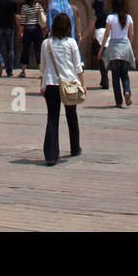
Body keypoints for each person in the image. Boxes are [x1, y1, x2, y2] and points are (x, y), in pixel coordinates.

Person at [39, 11, 85, 165]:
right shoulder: (71, 43)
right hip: (69, 84)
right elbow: (78, 67)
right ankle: (75, 147)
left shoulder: (46, 43)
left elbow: (42, 67)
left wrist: (42, 85)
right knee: (71, 115)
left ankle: (51, 155)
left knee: (52, 117)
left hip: (51, 84)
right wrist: (83, 84)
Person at [100, 0, 136, 108]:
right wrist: (128, 44)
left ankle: (118, 101)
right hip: (125, 47)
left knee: (115, 76)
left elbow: (106, 34)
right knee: (125, 74)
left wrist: (101, 49)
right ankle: (127, 91)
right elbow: (131, 34)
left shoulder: (110, 18)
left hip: (114, 48)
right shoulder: (128, 17)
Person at [18, 0, 45, 78]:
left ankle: (23, 71)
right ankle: (42, 72)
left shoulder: (24, 7)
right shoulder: (38, 6)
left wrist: (20, 32)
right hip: (36, 29)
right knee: (38, 50)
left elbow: (23, 21)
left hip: (28, 29)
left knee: (26, 50)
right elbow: (43, 17)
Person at [83, 0, 109, 89]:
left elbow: (90, 29)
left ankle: (105, 80)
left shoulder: (95, 16)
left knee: (101, 60)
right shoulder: (107, 16)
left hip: (99, 37)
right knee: (104, 59)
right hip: (107, 37)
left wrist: (82, 39)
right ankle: (104, 79)